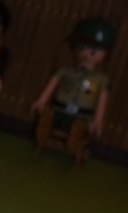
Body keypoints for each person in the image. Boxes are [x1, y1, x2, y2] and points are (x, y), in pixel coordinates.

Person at [31, 17, 115, 155]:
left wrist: (98, 120)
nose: (85, 54)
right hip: (59, 109)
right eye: (81, 48)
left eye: (92, 51)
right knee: (47, 120)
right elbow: (53, 83)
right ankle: (44, 130)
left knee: (79, 127)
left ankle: (75, 140)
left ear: (105, 53)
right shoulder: (65, 71)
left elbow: (102, 98)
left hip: (82, 115)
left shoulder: (100, 80)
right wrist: (41, 101)